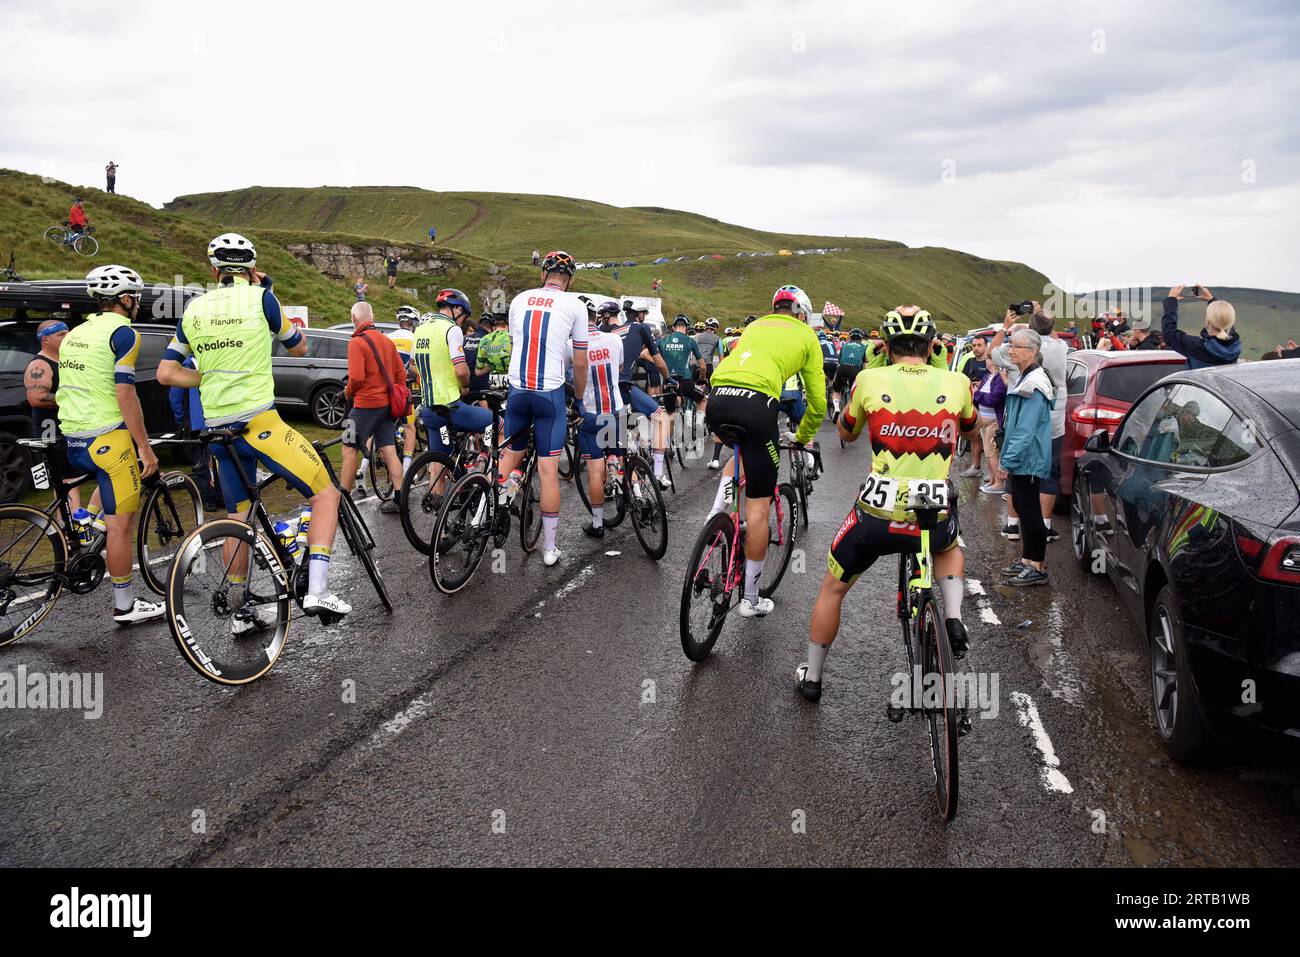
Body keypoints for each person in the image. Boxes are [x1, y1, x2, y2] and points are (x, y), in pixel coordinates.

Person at [159, 233, 350, 619]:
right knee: (326, 494)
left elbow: (166, 372)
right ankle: (317, 590)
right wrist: (268, 295)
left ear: (214, 271)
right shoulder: (262, 298)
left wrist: (208, 377)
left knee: (238, 516)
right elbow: (299, 347)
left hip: (216, 430)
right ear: (252, 270)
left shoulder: (194, 309)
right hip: (259, 424)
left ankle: (239, 607)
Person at [796, 306, 977, 701]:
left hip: (878, 513)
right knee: (949, 544)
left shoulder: (868, 378)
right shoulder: (958, 380)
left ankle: (812, 676)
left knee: (832, 589)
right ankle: (952, 615)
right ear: (932, 346)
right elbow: (970, 426)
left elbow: (845, 432)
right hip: (933, 513)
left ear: (886, 346)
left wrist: (871, 379)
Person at [705, 285, 826, 618]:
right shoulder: (806, 335)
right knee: (758, 511)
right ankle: (751, 600)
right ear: (803, 313)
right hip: (756, 405)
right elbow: (817, 401)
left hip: (718, 399)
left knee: (740, 453)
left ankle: (715, 514)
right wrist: (803, 436)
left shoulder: (756, 325)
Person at [58, 265, 163, 625]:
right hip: (107, 438)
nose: (138, 303)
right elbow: (125, 393)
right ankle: (125, 605)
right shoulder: (124, 333)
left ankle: (90, 536)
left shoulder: (75, 332)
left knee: (106, 505)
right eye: (136, 297)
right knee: (121, 527)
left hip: (72, 438)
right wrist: (144, 447)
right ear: (125, 298)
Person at [499, 251, 589, 566]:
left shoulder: (520, 298)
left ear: (543, 275)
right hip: (548, 393)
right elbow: (579, 361)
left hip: (517, 389)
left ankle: (488, 511)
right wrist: (579, 397)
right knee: (548, 470)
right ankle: (550, 549)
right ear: (570, 280)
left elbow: (517, 344)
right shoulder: (576, 305)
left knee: (510, 454)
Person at [412, 289, 493, 496]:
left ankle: (437, 501)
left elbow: (412, 366)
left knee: (439, 458)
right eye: (464, 316)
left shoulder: (421, 328)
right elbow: (461, 370)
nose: (463, 321)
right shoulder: (451, 329)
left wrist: (435, 376)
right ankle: (488, 473)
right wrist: (465, 385)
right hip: (452, 407)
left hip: (430, 410)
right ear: (456, 309)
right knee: (497, 423)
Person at [997, 328, 1054, 587]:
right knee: (1022, 507)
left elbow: (1025, 429)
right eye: (1011, 344)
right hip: (1022, 457)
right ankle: (1027, 560)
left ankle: (1038, 567)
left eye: (1017, 346)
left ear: (1032, 352)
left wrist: (1006, 462)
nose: (1011, 349)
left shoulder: (1034, 383)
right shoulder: (1025, 376)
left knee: (1030, 512)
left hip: (1027, 459)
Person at [342, 302, 405, 513]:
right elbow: (400, 375)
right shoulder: (387, 341)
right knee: (388, 449)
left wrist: (348, 391)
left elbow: (356, 377)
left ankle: (344, 499)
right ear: (372, 317)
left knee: (348, 448)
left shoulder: (356, 343)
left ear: (353, 319)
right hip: (386, 406)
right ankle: (399, 497)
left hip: (363, 407)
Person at [27, 320, 93, 513]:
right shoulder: (40, 364)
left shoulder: (64, 360)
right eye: (61, 335)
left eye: (68, 332)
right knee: (65, 479)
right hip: (51, 430)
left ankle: (74, 524)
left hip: (70, 428)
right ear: (45, 339)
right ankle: (69, 527)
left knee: (73, 478)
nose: (67, 337)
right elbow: (37, 397)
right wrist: (74, 397)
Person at [608, 300, 672, 487]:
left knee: (618, 437)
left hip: (608, 390)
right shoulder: (641, 327)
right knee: (662, 418)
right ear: (640, 314)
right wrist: (668, 379)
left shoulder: (612, 331)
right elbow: (659, 363)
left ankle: (622, 484)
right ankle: (659, 474)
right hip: (625, 388)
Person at [576, 302, 625, 539]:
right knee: (618, 457)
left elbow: (570, 376)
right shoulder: (615, 339)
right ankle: (633, 493)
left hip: (591, 415)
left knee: (595, 471)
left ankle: (597, 524)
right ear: (597, 318)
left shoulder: (572, 345)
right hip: (616, 410)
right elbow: (620, 366)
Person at [1162, 285, 1241, 369]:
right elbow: (1224, 322)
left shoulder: (1198, 347)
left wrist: (1171, 300)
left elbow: (1169, 335)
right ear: (1230, 322)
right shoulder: (1235, 346)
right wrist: (1212, 300)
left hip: (1198, 382)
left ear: (1208, 321)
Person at [388, 306, 421, 475]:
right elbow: (416, 367)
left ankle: (363, 468)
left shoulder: (388, 337)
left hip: (383, 388)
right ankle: (408, 469)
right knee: (410, 427)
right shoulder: (415, 338)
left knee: (379, 428)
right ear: (414, 323)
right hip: (402, 390)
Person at [973, 355, 1008, 492]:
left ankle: (999, 483)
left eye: (988, 358)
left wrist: (977, 394)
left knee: (992, 452)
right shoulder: (987, 376)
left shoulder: (999, 377)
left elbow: (994, 399)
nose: (985, 361)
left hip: (994, 420)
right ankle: (993, 480)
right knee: (988, 452)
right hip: (984, 421)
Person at [829, 328, 867, 420]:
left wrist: (835, 377)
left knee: (836, 390)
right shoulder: (863, 346)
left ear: (850, 337)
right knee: (854, 392)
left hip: (842, 368)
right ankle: (850, 412)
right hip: (855, 369)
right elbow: (864, 364)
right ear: (860, 338)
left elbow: (839, 363)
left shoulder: (845, 345)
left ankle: (837, 408)